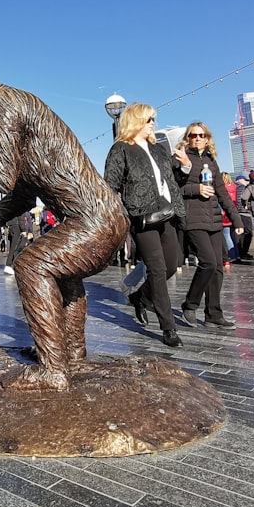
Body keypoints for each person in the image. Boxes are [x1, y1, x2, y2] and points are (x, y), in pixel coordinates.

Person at [104, 103, 185, 347]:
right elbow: (110, 185)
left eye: (154, 119)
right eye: (149, 119)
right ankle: (168, 327)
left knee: (172, 264)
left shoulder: (159, 149)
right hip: (142, 218)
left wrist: (184, 166)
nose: (153, 123)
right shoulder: (121, 149)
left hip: (167, 214)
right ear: (136, 120)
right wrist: (123, 214)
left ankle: (140, 295)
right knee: (157, 270)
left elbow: (171, 179)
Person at [173, 122, 244, 330]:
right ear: (188, 137)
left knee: (219, 267)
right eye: (193, 135)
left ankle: (213, 314)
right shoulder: (180, 156)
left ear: (207, 138)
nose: (198, 138)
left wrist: (236, 219)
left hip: (214, 218)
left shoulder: (211, 161)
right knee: (208, 262)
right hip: (193, 218)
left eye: (202, 135)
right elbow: (173, 187)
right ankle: (190, 304)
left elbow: (222, 192)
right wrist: (195, 189)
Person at [232, 174, 254, 263]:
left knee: (239, 233)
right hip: (245, 214)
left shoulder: (234, 188)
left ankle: (239, 252)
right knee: (248, 233)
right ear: (240, 180)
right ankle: (244, 252)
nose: (246, 182)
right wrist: (248, 207)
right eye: (245, 180)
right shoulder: (242, 188)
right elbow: (244, 199)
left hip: (236, 213)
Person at [4, 211, 33, 275]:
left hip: (12, 225)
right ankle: (9, 265)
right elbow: (21, 216)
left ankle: (12, 265)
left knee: (14, 246)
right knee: (16, 247)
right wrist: (24, 230)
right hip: (17, 226)